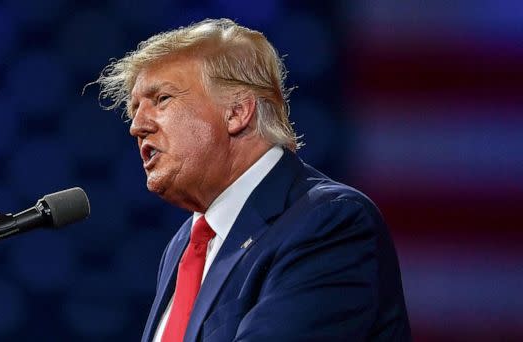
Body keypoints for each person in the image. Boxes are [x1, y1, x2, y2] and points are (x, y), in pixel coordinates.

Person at [92, 18, 411, 342]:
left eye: (161, 99)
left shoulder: (329, 223)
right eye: (135, 108)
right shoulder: (184, 245)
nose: (137, 125)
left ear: (237, 112)